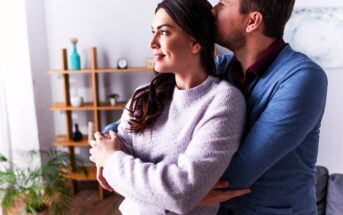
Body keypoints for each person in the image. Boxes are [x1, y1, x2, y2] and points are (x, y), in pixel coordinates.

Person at [104, 0, 328, 214]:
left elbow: (235, 173)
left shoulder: (303, 79)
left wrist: (118, 166)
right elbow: (142, 114)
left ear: (252, 21)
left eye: (222, 4)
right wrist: (107, 144)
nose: (212, 11)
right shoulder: (221, 68)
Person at [89, 0, 248, 214]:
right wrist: (169, 194)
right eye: (153, 31)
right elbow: (113, 180)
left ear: (195, 43)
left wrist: (112, 161)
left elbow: (181, 193)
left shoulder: (224, 102)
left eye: (163, 33)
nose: (152, 43)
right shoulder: (142, 96)